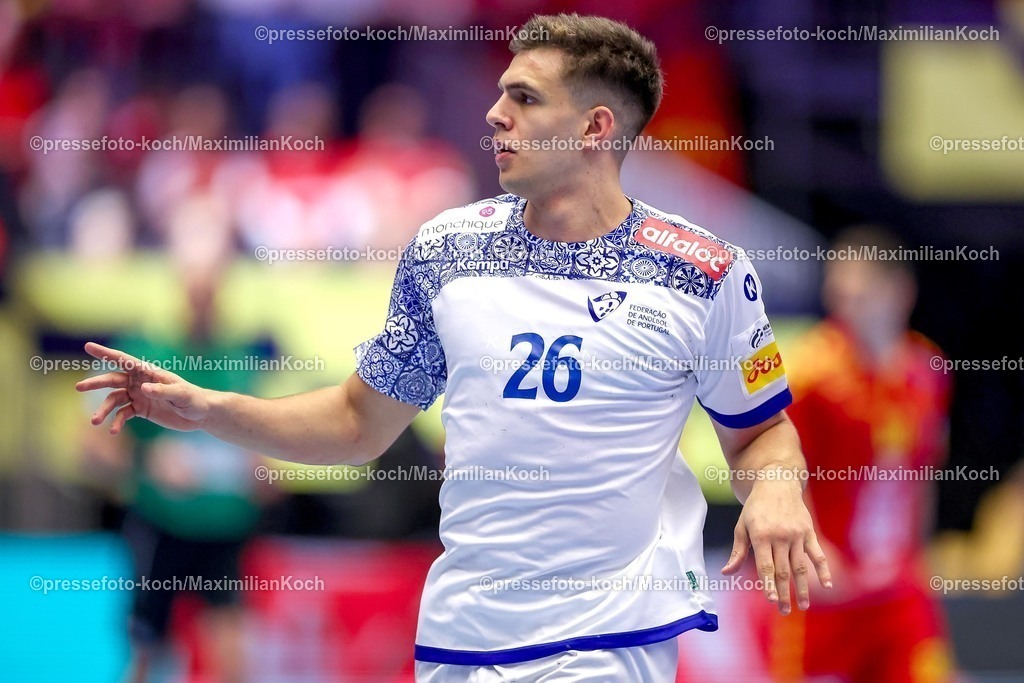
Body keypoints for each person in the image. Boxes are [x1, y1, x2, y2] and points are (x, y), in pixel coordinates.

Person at [78, 14, 830, 681]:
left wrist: (776, 488)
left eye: (526, 98)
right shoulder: (446, 250)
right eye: (502, 91)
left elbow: (762, 429)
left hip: (611, 637)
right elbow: (354, 424)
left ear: (597, 129)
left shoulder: (704, 271)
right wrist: (208, 407)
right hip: (461, 638)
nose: (494, 114)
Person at [764, 226, 956, 682]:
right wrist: (808, 550)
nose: (846, 312)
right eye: (839, 297)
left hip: (897, 590)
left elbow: (922, 476)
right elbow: (778, 466)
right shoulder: (811, 369)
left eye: (860, 297)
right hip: (827, 588)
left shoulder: (929, 371)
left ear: (899, 293)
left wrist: (918, 558)